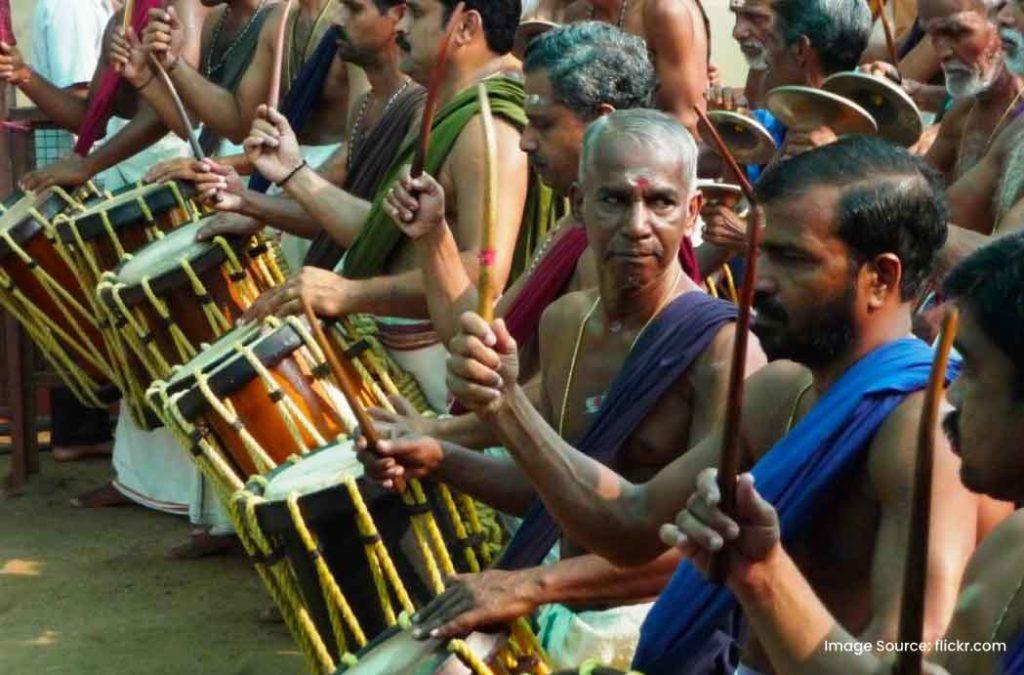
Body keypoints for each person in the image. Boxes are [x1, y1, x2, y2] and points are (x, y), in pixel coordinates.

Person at [444, 137, 1001, 673]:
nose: (756, 283)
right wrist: (505, 405)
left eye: (792, 260)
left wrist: (765, 579)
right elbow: (631, 523)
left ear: (880, 278)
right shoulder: (777, 391)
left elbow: (903, 656)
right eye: (759, 255)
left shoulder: (924, 429)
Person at [358, 109, 767, 668]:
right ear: (578, 204)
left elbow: (707, 551)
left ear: (692, 211)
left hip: (662, 634)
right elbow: (555, 496)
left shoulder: (725, 351)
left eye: (661, 203)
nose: (638, 224)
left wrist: (529, 585)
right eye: (615, 201)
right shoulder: (565, 321)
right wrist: (436, 456)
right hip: (564, 612)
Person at [669, 232, 1024, 675]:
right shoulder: (1014, 548)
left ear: (881, 279)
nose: (957, 394)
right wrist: (762, 574)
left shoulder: (914, 426)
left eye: (971, 367)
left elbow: (917, 639)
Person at [233, 0, 555, 413]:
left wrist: (351, 293)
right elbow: (387, 234)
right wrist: (294, 173)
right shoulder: (441, 104)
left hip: (443, 373)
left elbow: (483, 274)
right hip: (398, 352)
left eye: (417, 13)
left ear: (465, 27)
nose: (399, 23)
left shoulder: (488, 127)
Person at [188, 0, 426, 272]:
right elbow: (337, 221)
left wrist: (345, 296)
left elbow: (387, 237)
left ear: (398, 17)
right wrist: (248, 202)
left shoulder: (419, 111)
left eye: (354, 9)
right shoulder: (366, 104)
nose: (337, 20)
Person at [0, 0, 204, 191]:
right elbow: (90, 120)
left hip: (190, 179)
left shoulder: (182, 6)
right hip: (134, 180)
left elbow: (167, 117)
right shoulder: (120, 21)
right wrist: (23, 74)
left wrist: (87, 166)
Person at [111, 0, 277, 159]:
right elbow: (191, 126)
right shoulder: (216, 20)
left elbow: (239, 133)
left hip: (259, 184)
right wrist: (141, 76)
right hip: (216, 178)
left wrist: (176, 63)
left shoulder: (278, 21)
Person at [560, 0, 709, 133]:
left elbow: (688, 120)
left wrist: (598, 138)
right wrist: (548, 8)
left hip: (658, 155)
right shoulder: (577, 13)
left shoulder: (666, 9)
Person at [917, 0, 1023, 182]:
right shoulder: (963, 111)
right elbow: (917, 186)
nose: (942, 53)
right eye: (933, 35)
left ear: (997, 22)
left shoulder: (1018, 124)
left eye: (958, 32)